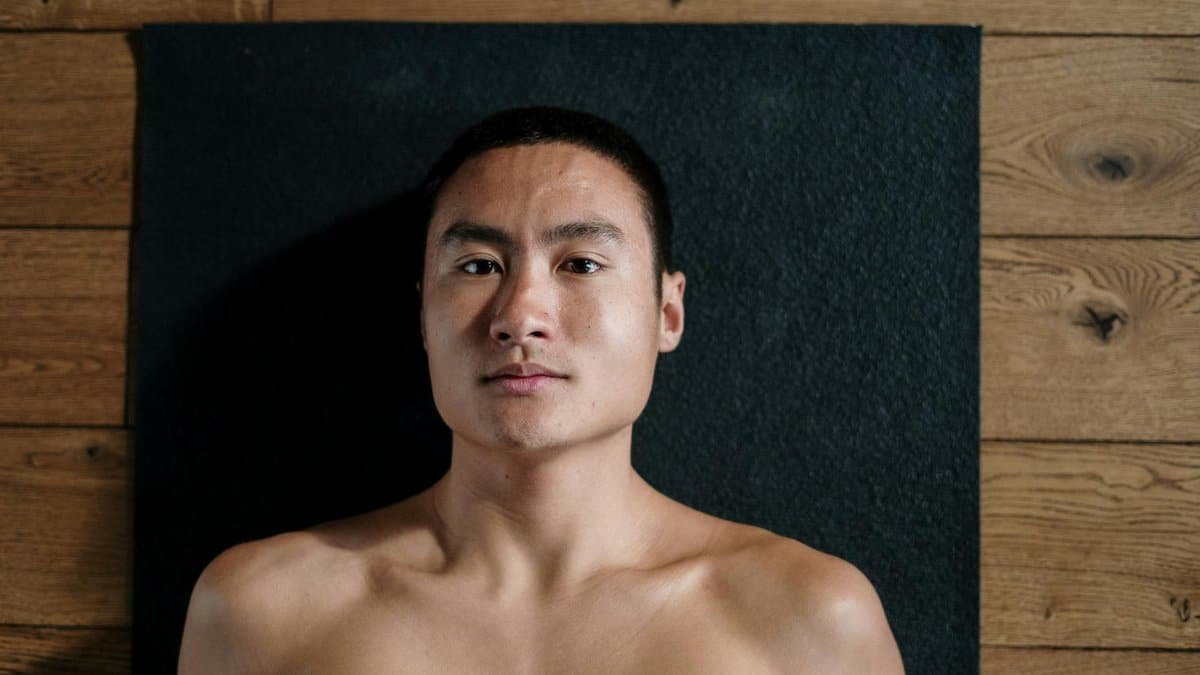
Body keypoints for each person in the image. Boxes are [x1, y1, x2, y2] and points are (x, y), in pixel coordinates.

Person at [177, 106, 905, 674]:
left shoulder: (809, 620)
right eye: (478, 266)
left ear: (668, 311)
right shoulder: (259, 610)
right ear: (422, 315)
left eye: (581, 263)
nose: (520, 314)